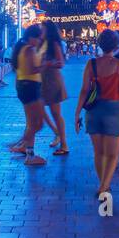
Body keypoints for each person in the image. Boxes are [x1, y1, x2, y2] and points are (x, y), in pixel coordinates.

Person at [74, 29, 119, 198]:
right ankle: (104, 185)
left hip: (94, 111)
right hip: (113, 110)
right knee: (112, 154)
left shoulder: (91, 64)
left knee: (98, 152)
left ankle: (102, 184)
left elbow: (84, 90)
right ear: (116, 45)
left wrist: (77, 114)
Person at [10, 25, 48, 166]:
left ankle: (27, 151)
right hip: (31, 87)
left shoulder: (21, 48)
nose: (39, 41)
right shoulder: (30, 50)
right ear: (32, 37)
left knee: (32, 123)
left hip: (24, 86)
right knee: (37, 124)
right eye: (38, 38)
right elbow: (33, 69)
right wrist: (46, 64)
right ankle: (23, 147)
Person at [40, 21, 70, 156]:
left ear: (49, 30)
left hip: (52, 80)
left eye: (43, 29)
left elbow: (61, 63)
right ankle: (56, 133)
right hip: (43, 80)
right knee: (40, 109)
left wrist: (47, 63)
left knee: (56, 113)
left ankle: (64, 144)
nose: (41, 31)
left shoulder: (54, 44)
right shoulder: (42, 43)